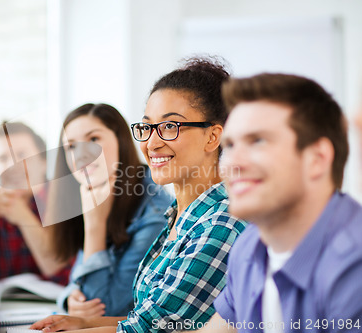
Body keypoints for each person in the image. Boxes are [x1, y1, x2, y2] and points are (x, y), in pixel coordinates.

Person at [31, 57, 247, 333]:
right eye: (147, 127)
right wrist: (83, 321)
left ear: (212, 137)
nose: (152, 143)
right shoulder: (180, 217)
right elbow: (151, 319)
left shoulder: (222, 222)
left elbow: (149, 331)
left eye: (170, 126)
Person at [194, 73, 362, 333]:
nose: (231, 165)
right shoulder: (250, 247)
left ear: (317, 159)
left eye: (257, 141)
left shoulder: (353, 265)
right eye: (230, 145)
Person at [46, 103, 172, 317]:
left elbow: (105, 308)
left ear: (121, 142)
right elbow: (78, 282)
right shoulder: (94, 194)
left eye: (94, 139)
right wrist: (68, 299)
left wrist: (95, 226)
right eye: (71, 147)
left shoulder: (155, 212)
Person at [0, 121, 72, 284]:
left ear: (43, 162)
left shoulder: (63, 200)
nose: (12, 165)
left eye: (21, 155)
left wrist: (23, 217)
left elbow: (62, 272)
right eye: (2, 158)